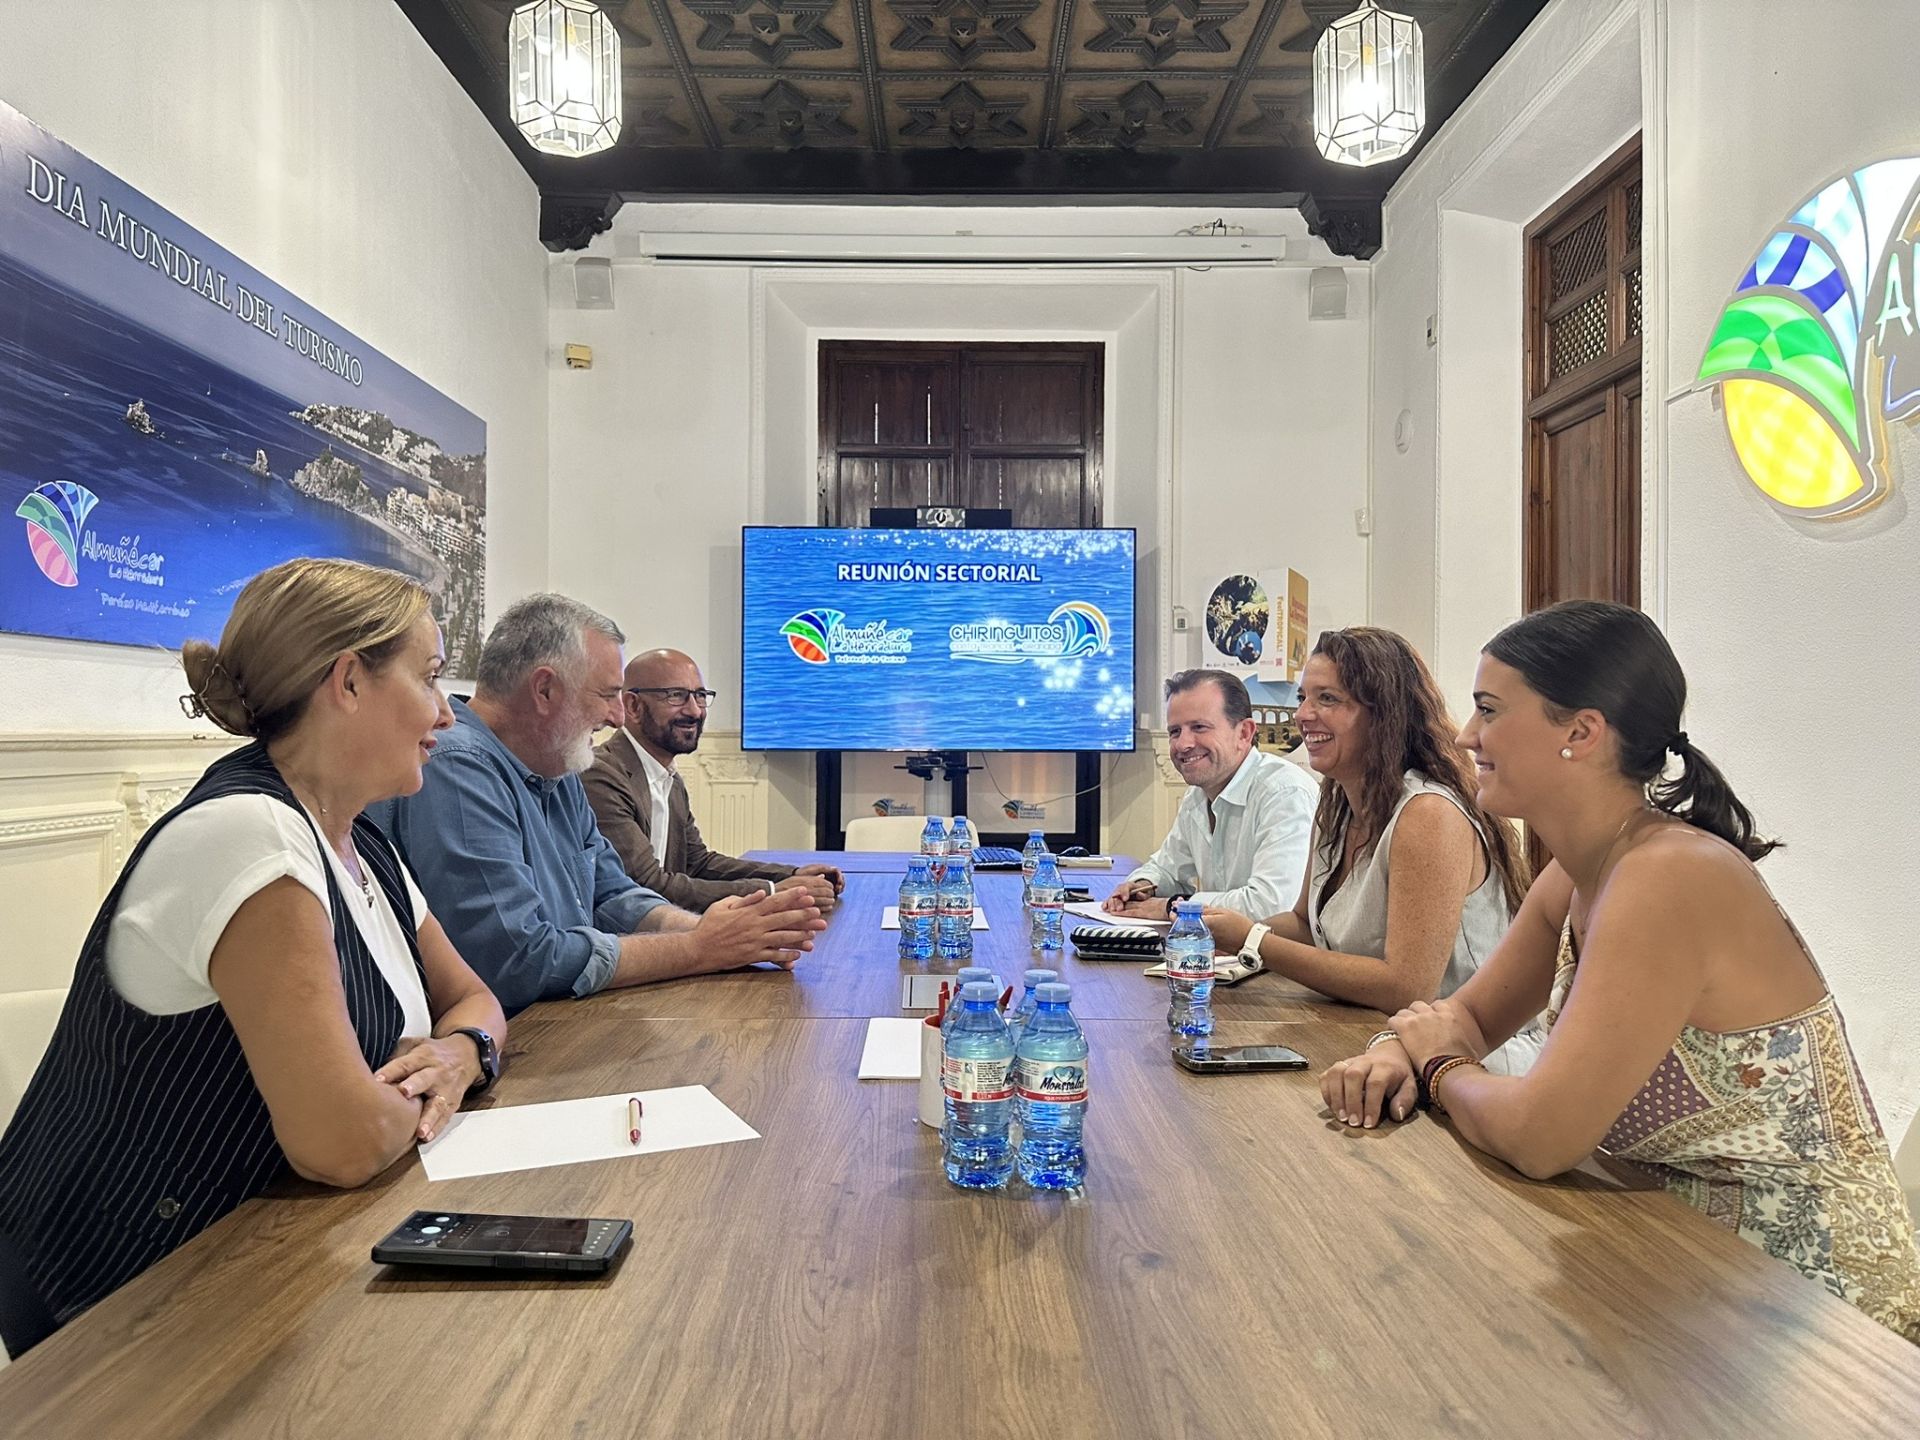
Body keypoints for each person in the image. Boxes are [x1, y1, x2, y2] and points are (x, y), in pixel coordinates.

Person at [1321, 600, 1920, 1341]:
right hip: (1684, 1257)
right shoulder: (1576, 875)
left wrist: (1437, 1065)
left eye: (1489, 709)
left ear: (1581, 731)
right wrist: (1394, 1051)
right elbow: (1467, 1016)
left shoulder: (1668, 876)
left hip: (1816, 1311)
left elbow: (1541, 1137)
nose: (1467, 735)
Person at [0, 559, 509, 1329]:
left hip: (265, 1258)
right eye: (431, 678)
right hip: (119, 1300)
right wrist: (437, 1086)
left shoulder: (362, 844)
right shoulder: (251, 835)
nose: (447, 713)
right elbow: (340, 1142)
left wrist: (464, 1052)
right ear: (348, 681)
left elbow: (474, 1000)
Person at [370, 595, 825, 1016]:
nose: (618, 717)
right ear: (545, 690)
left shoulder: (557, 765)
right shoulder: (457, 767)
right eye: (608, 694)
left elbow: (613, 892)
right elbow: (517, 961)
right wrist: (699, 948)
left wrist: (708, 931)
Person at [1201, 629, 1538, 1069]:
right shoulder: (1337, 801)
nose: (1304, 715)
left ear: (1384, 714)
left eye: (1327, 699)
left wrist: (1253, 940)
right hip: (1376, 1040)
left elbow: (1406, 988)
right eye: (1304, 698)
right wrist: (1210, 936)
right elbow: (1305, 923)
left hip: (1468, 1058)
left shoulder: (1428, 813)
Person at [584, 648, 843, 913]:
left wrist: (791, 875)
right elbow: (647, 885)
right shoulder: (601, 775)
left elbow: (698, 863)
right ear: (633, 706)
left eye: (700, 695)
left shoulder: (669, 778)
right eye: (676, 696)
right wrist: (774, 892)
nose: (695, 710)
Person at [1103, 669, 1319, 922]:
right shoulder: (1198, 794)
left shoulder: (1284, 792)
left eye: (1199, 727)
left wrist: (1173, 906)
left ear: (1244, 734)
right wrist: (1141, 885)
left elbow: (1273, 906)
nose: (1183, 744)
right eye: (1175, 732)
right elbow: (1167, 868)